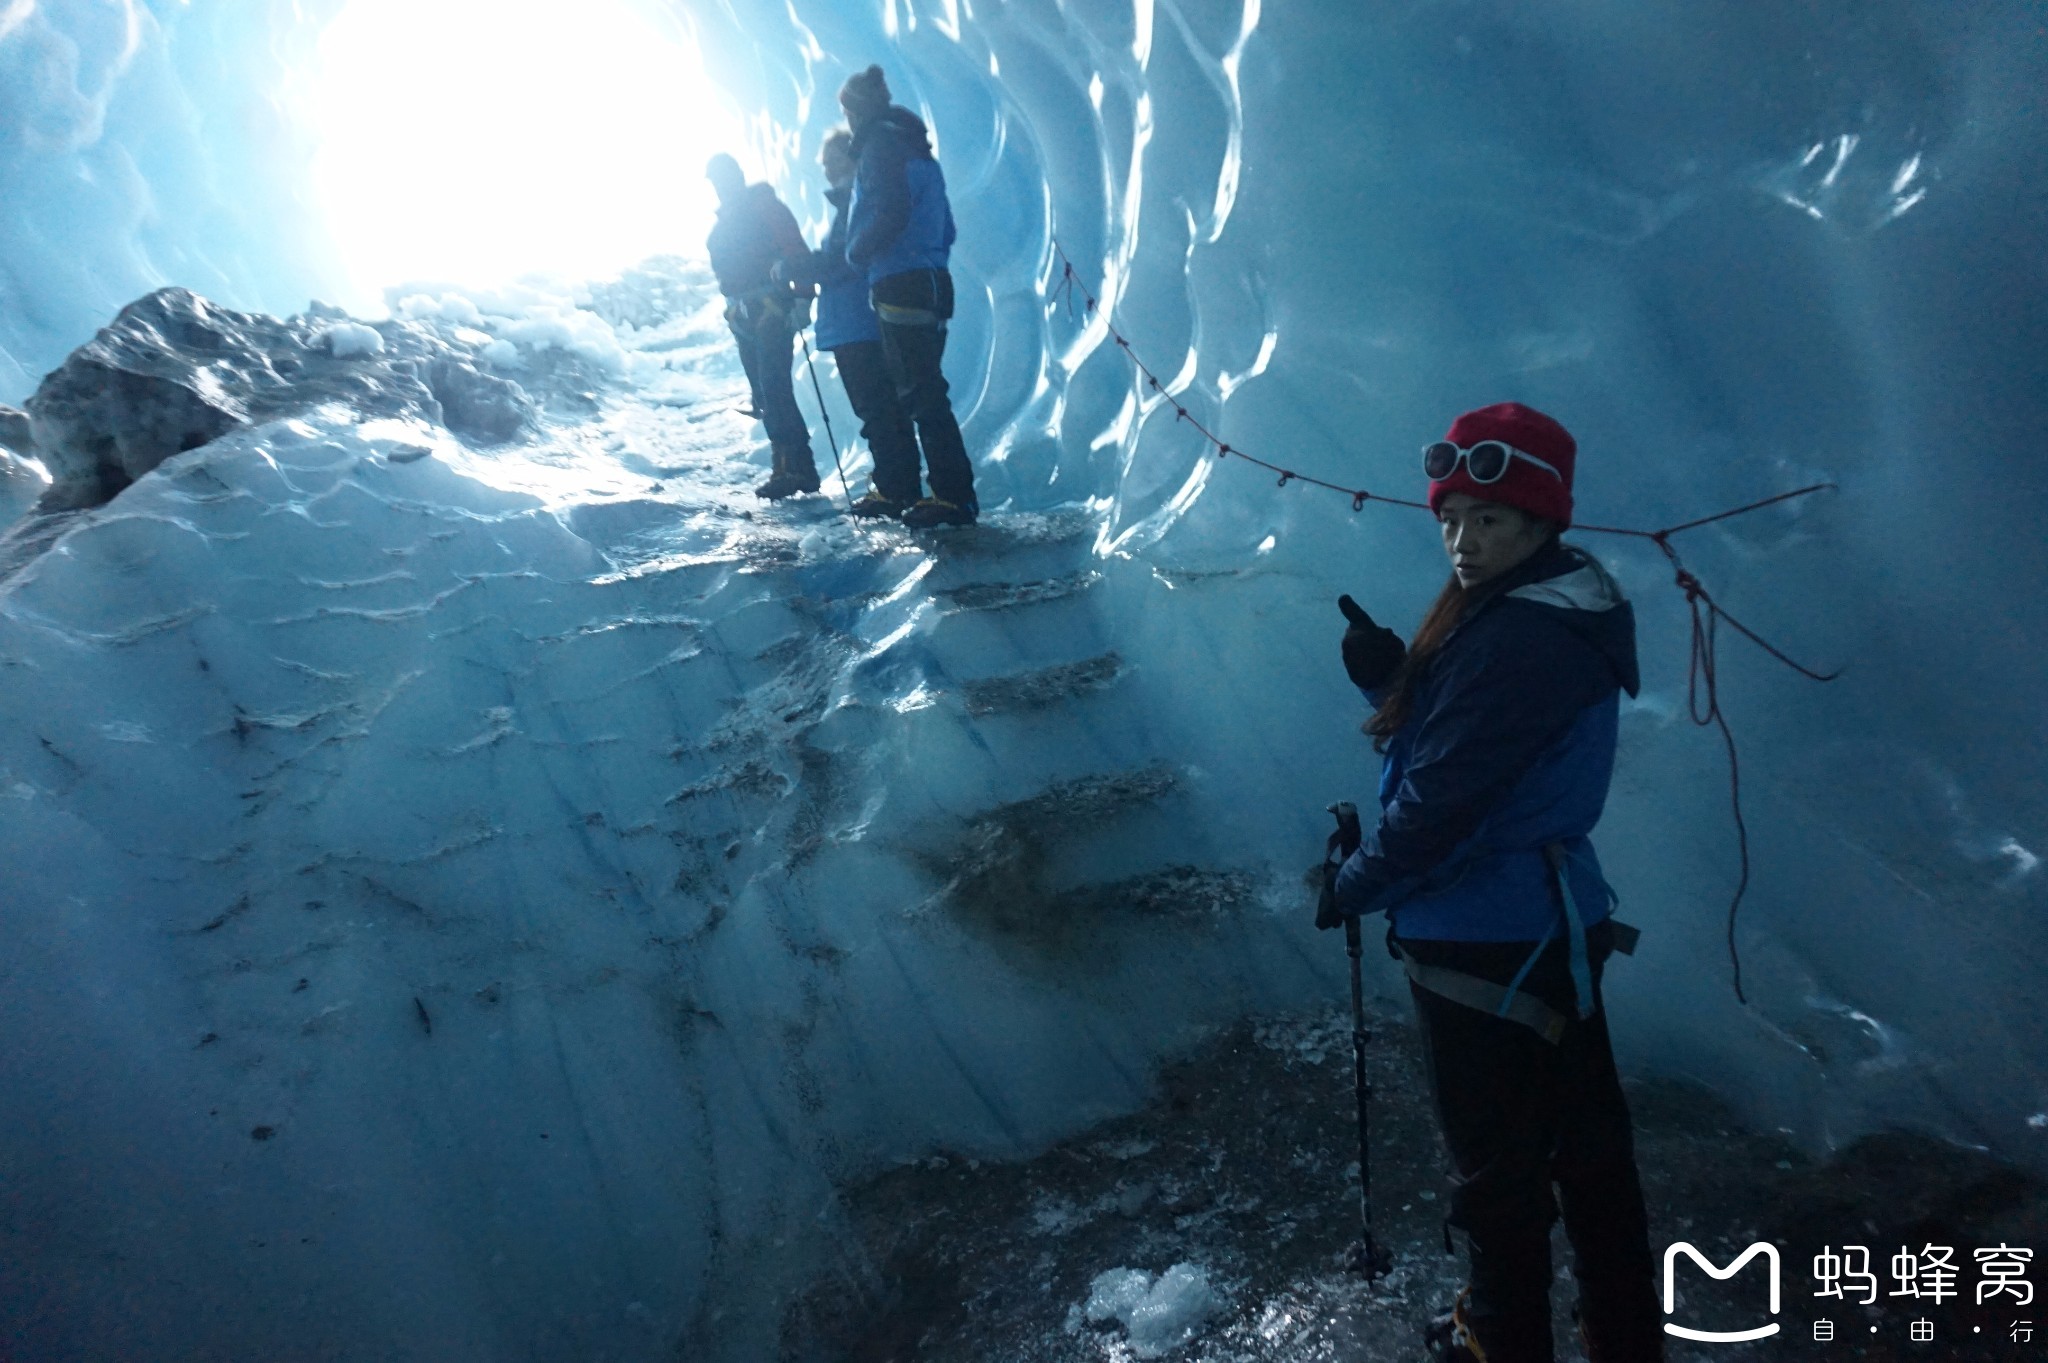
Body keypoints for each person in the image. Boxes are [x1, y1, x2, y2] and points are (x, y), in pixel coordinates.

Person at [1322, 403, 1662, 1363]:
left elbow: (1442, 807)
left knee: (1496, 1167)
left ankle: (1503, 1335)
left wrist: (1353, 884)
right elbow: (1480, 745)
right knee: (1589, 1153)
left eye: (1490, 521)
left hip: (1484, 937)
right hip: (1554, 921)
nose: (1463, 542)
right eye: (1451, 518)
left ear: (1542, 521)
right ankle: (1622, 1331)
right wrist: (1395, 682)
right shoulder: (1556, 604)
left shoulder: (1520, 638)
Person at [837, 65, 978, 529]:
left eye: (848, 113)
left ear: (857, 111)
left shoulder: (880, 147)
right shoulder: (919, 151)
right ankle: (945, 493)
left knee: (920, 394)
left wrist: (857, 251)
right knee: (926, 390)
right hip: (934, 280)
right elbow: (948, 228)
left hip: (899, 282)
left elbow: (891, 211)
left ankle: (952, 498)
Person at [783, 128, 923, 519]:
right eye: (826, 165)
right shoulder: (856, 203)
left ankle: (895, 490)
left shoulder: (856, 205)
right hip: (860, 322)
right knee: (884, 409)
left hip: (858, 325)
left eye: (836, 161)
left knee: (877, 410)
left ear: (856, 160)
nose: (829, 171)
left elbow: (840, 260)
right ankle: (900, 485)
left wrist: (793, 268)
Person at [705, 152, 819, 500]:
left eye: (725, 177)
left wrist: (801, 300)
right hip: (745, 315)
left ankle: (797, 467)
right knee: (765, 392)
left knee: (774, 387)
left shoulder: (765, 208)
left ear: (737, 175)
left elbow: (795, 253)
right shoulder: (729, 220)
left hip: (771, 311)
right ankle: (788, 466)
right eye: (716, 180)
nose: (722, 186)